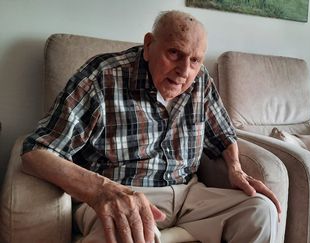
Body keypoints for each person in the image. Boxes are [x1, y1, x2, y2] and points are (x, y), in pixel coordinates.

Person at [21, 10, 281, 243]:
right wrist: (102, 190)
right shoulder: (103, 76)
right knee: (127, 232)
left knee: (260, 210)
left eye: (194, 60)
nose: (184, 71)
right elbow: (36, 153)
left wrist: (235, 167)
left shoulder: (201, 81)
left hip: (189, 194)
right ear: (148, 45)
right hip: (123, 194)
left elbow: (223, 133)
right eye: (174, 53)